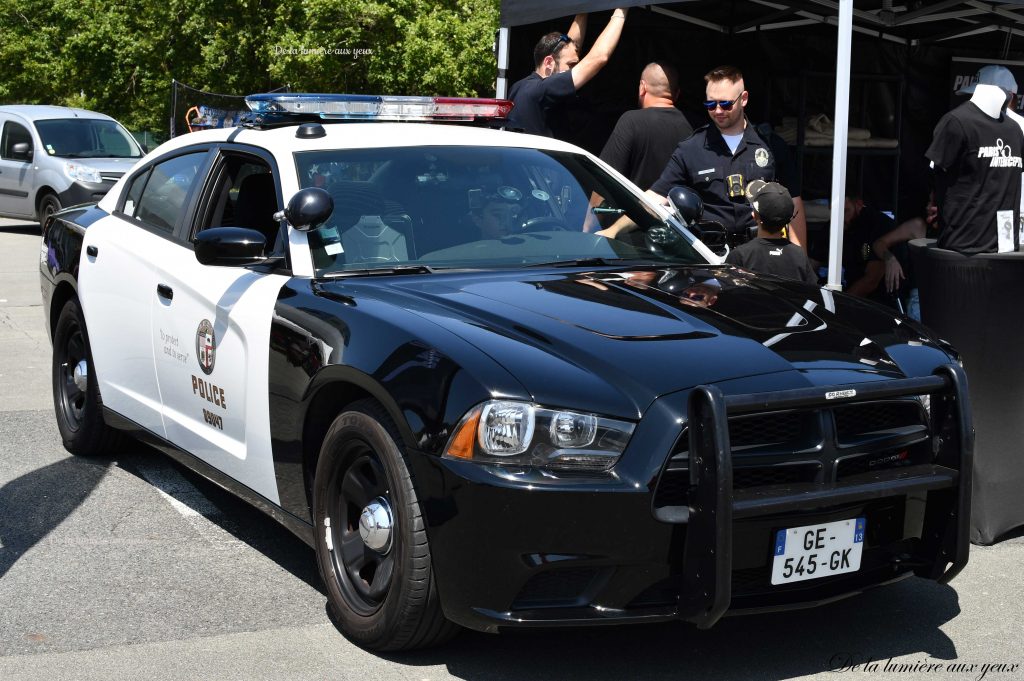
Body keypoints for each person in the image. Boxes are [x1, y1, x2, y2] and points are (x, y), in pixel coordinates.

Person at [648, 65, 807, 249]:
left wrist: (799, 259)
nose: (717, 111)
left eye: (725, 104)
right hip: (710, 256)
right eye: (710, 104)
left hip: (759, 254)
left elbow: (794, 203)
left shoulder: (771, 145)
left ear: (744, 99)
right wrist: (615, 227)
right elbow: (656, 197)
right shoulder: (691, 148)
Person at [927, 65, 1024, 254]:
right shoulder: (956, 122)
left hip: (1005, 244)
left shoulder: (1015, 130)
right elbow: (934, 171)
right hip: (965, 244)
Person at [508, 9, 629, 138]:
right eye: (570, 65)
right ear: (549, 62)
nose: (574, 70)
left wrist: (584, 9)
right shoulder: (544, 89)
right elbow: (598, 58)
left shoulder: (519, 87)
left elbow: (570, 47)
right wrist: (621, 11)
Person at [598, 62, 693, 190]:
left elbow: (604, 178)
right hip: (683, 208)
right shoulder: (695, 126)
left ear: (642, 87)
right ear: (677, 93)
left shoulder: (631, 121)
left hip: (639, 209)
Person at [725, 180, 817, 285]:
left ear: (754, 216)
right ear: (789, 218)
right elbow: (811, 291)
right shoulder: (799, 256)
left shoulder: (740, 255)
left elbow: (727, 291)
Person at [840, 195, 901, 304]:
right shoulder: (836, 225)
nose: (842, 218)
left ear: (858, 204)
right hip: (850, 295)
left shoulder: (878, 225)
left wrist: (841, 304)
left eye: (845, 211)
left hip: (879, 304)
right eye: (836, 212)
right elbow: (814, 260)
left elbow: (871, 281)